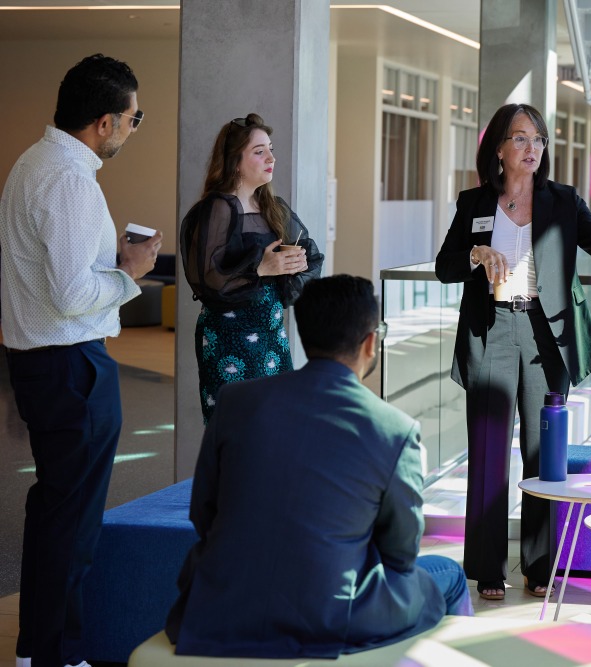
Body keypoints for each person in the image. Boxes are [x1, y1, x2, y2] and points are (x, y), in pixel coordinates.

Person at [166, 275, 472, 658]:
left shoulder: (236, 401)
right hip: (330, 617)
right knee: (449, 574)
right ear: (371, 342)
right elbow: (401, 554)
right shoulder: (394, 429)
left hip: (221, 605)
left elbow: (203, 514)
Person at [435, 103, 591, 601]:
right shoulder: (473, 202)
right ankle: (486, 567)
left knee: (543, 456)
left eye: (539, 140)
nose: (533, 149)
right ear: (499, 148)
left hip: (546, 335)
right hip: (491, 330)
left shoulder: (563, 201)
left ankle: (540, 565)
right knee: (486, 452)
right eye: (521, 139)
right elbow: (445, 266)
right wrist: (476, 254)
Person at [0, 54, 161, 667]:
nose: (131, 128)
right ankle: (55, 655)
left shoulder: (33, 163)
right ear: (103, 122)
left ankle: (39, 650)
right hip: (71, 365)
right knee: (73, 524)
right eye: (133, 118)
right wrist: (130, 273)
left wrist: (111, 264)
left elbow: (55, 275)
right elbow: (71, 296)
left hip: (44, 362)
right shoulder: (69, 179)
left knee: (56, 513)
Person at [180, 112, 323, 423]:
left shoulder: (274, 206)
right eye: (259, 152)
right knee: (236, 428)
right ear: (235, 161)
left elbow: (310, 254)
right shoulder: (218, 207)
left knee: (276, 424)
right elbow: (208, 281)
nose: (271, 157)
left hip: (272, 334)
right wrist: (260, 268)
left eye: (270, 149)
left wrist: (294, 263)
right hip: (228, 335)